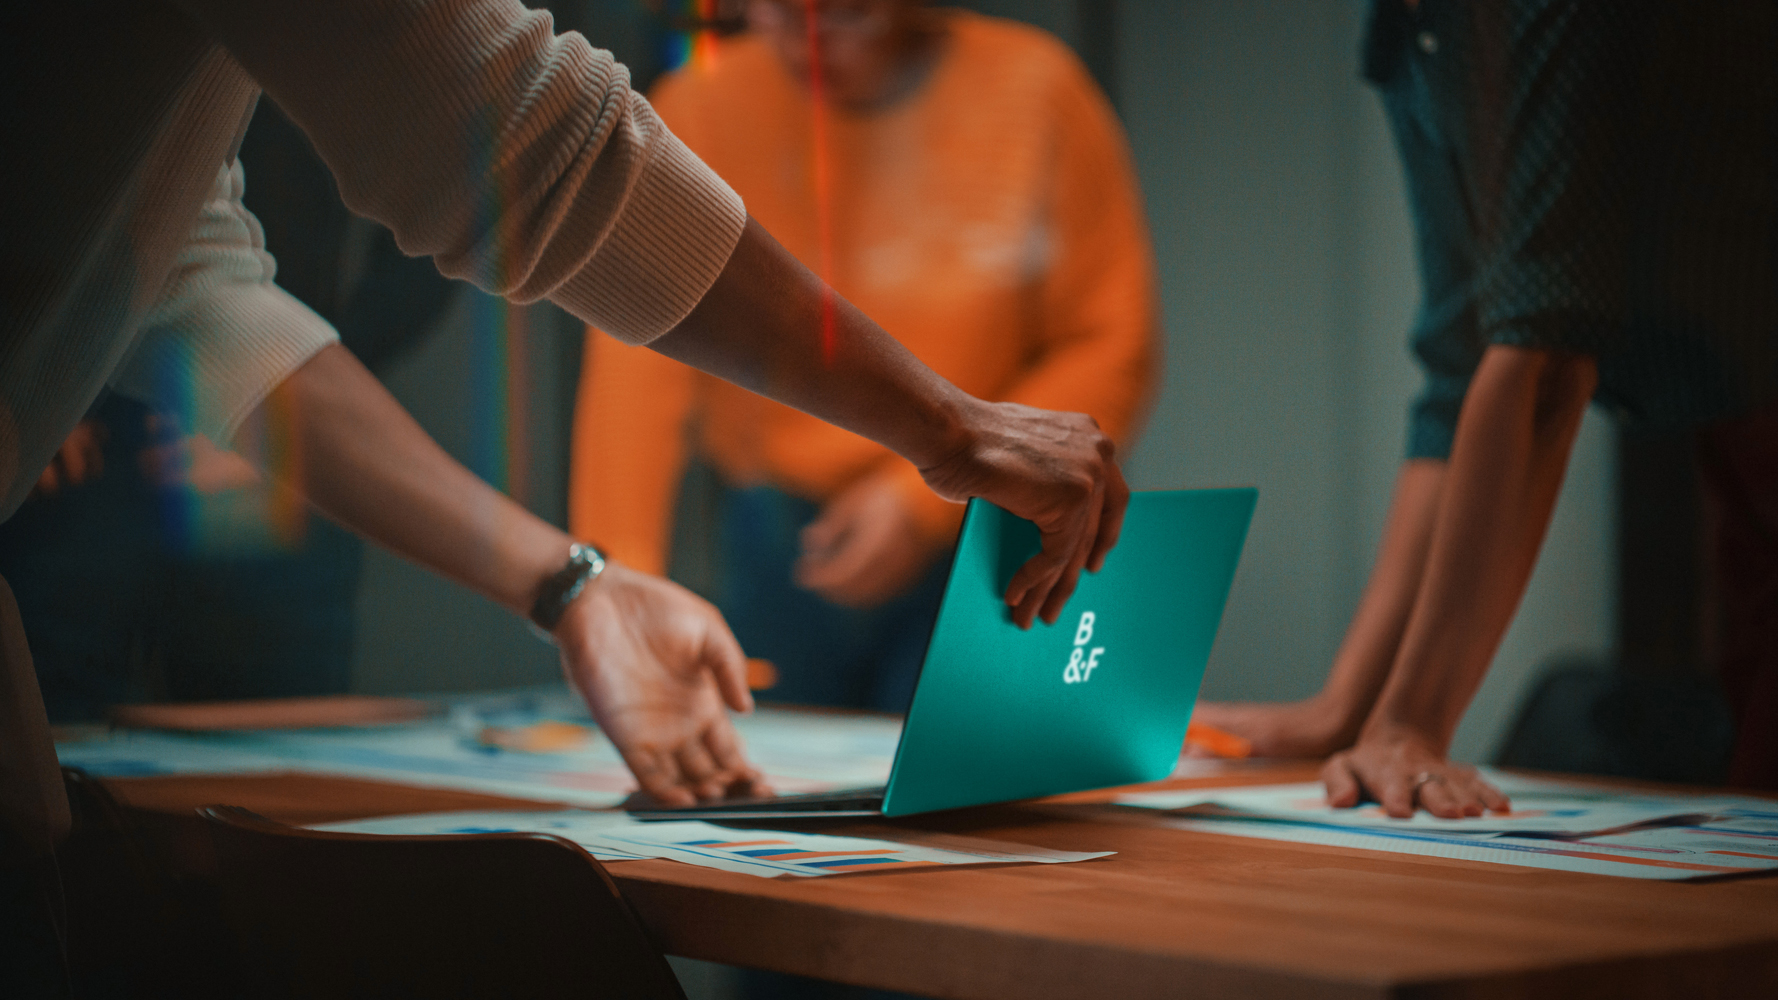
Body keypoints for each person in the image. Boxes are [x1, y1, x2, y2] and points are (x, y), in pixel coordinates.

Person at [0, 1, 1129, 987]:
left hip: (943, 548)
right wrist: (944, 425)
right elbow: (526, 139)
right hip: (797, 526)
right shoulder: (716, 92)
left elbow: (199, 290)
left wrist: (574, 581)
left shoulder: (1032, 86)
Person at [1193, 0, 1778, 814]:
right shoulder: (1404, 30)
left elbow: (1545, 358)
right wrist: (1350, 711)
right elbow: (1463, 365)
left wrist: (1414, 720)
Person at [571, 0, 1158, 713]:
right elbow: (636, 367)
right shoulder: (699, 106)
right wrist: (615, 581)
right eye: (778, 10)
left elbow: (1110, 339)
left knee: (969, 805)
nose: (808, 44)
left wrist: (924, 500)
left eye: (847, 14)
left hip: (988, 528)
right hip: (779, 536)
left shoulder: (1037, 92)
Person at [0, 99, 459, 720]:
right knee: (52, 746)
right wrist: (39, 380)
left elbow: (450, 215)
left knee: (278, 757)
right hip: (80, 436)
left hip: (280, 447)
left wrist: (299, 392)